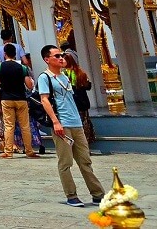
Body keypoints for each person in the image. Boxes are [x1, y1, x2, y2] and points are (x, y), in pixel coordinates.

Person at [37, 45, 105, 208]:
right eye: (57, 56)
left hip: (76, 122)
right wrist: (55, 121)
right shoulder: (45, 77)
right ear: (47, 59)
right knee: (65, 162)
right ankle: (71, 195)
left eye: (62, 55)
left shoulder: (65, 76)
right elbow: (44, 100)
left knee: (85, 160)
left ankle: (98, 194)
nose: (61, 58)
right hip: (62, 124)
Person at [0, 43, 35, 159]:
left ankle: (8, 151)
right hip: (21, 98)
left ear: (4, 54)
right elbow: (29, 85)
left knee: (9, 126)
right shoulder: (22, 67)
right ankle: (29, 150)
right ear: (15, 54)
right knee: (25, 126)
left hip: (6, 98)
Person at [62, 51, 95, 145]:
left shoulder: (64, 74)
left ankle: (78, 143)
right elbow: (88, 86)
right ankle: (86, 142)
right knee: (84, 122)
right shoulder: (80, 72)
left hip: (73, 102)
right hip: (82, 101)